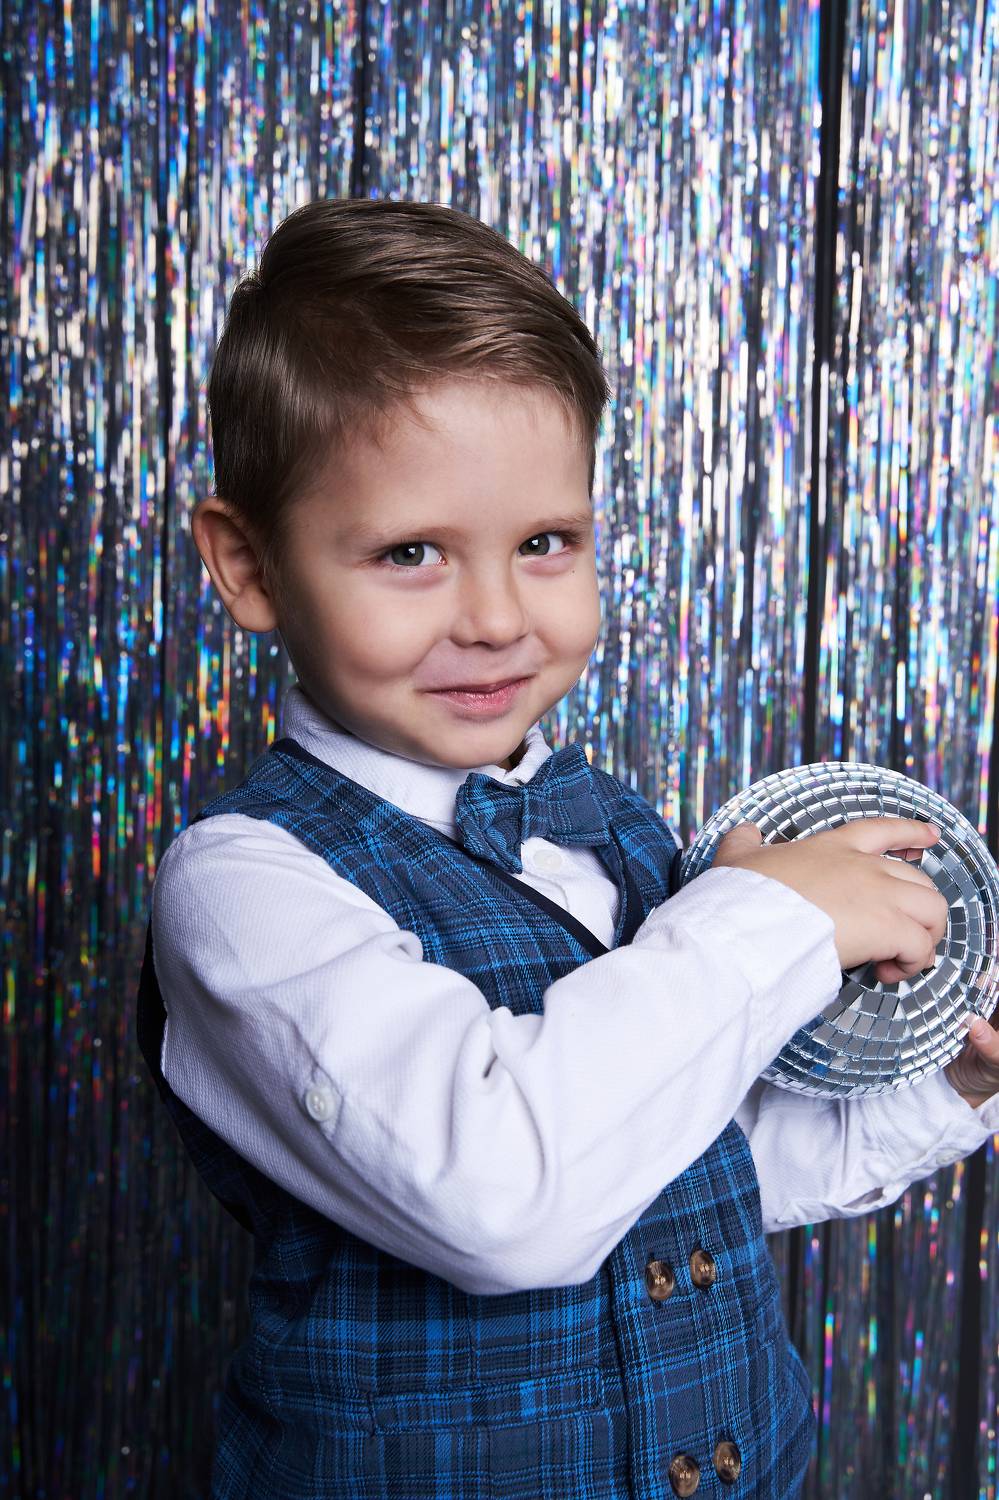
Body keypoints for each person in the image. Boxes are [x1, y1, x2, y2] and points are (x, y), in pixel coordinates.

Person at [137, 197, 999, 1500]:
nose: (495, 616)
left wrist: (952, 1085)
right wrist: (773, 920)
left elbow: (689, 1165)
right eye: (412, 553)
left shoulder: (615, 832)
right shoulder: (244, 884)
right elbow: (506, 1198)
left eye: (545, 543)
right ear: (249, 567)